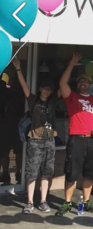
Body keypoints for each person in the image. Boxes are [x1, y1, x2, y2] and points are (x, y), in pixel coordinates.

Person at [56, 53, 93, 217]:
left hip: (92, 140)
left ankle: (86, 201)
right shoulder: (72, 97)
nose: (83, 82)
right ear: (77, 84)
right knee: (71, 173)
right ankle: (67, 203)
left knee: (90, 172)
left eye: (86, 80)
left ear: (90, 84)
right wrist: (71, 64)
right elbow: (62, 83)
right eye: (80, 81)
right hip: (76, 139)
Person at [13, 59, 57, 214]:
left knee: (47, 172)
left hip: (50, 141)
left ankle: (43, 201)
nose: (46, 91)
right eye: (44, 88)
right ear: (39, 89)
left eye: (49, 89)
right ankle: (30, 202)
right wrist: (18, 69)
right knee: (32, 172)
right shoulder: (33, 101)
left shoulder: (53, 103)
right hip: (35, 141)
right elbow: (24, 86)